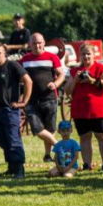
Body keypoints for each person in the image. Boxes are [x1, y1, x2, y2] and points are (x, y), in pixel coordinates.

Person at [0, 42, 32, 179]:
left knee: (13, 139)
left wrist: (24, 102)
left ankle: (19, 169)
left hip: (11, 109)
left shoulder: (12, 65)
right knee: (1, 138)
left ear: (5, 53)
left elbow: (28, 81)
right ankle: (11, 166)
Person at [64, 43, 103, 171]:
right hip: (80, 109)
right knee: (84, 137)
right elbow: (67, 91)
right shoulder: (74, 71)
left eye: (88, 53)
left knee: (102, 136)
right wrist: (75, 80)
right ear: (80, 56)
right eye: (83, 54)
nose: (86, 56)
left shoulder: (101, 68)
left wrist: (92, 80)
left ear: (94, 55)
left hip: (98, 109)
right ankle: (87, 164)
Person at [20, 33, 65, 161]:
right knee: (38, 129)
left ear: (44, 43)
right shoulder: (24, 60)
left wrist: (55, 84)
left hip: (49, 98)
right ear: (30, 44)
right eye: (34, 43)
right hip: (31, 100)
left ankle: (47, 155)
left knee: (49, 128)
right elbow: (17, 75)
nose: (37, 45)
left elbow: (61, 74)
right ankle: (58, 147)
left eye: (39, 43)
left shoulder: (52, 57)